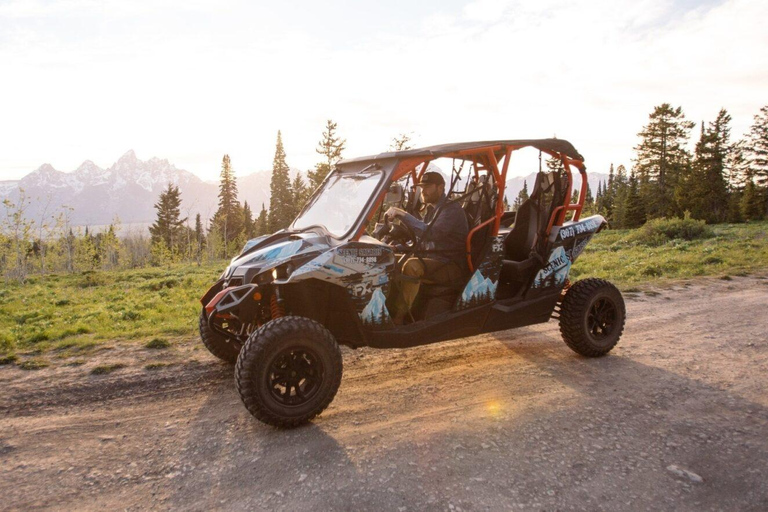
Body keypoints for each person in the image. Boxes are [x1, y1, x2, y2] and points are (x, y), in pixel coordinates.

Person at [385, 171, 469, 323]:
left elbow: (431, 234)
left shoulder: (451, 209)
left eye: (428, 186)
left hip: (449, 264)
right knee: (389, 260)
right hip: (432, 259)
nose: (423, 191)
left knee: (411, 266)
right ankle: (386, 309)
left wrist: (402, 215)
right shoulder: (432, 209)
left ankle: (400, 317)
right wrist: (397, 248)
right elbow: (421, 241)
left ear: (441, 187)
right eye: (421, 187)